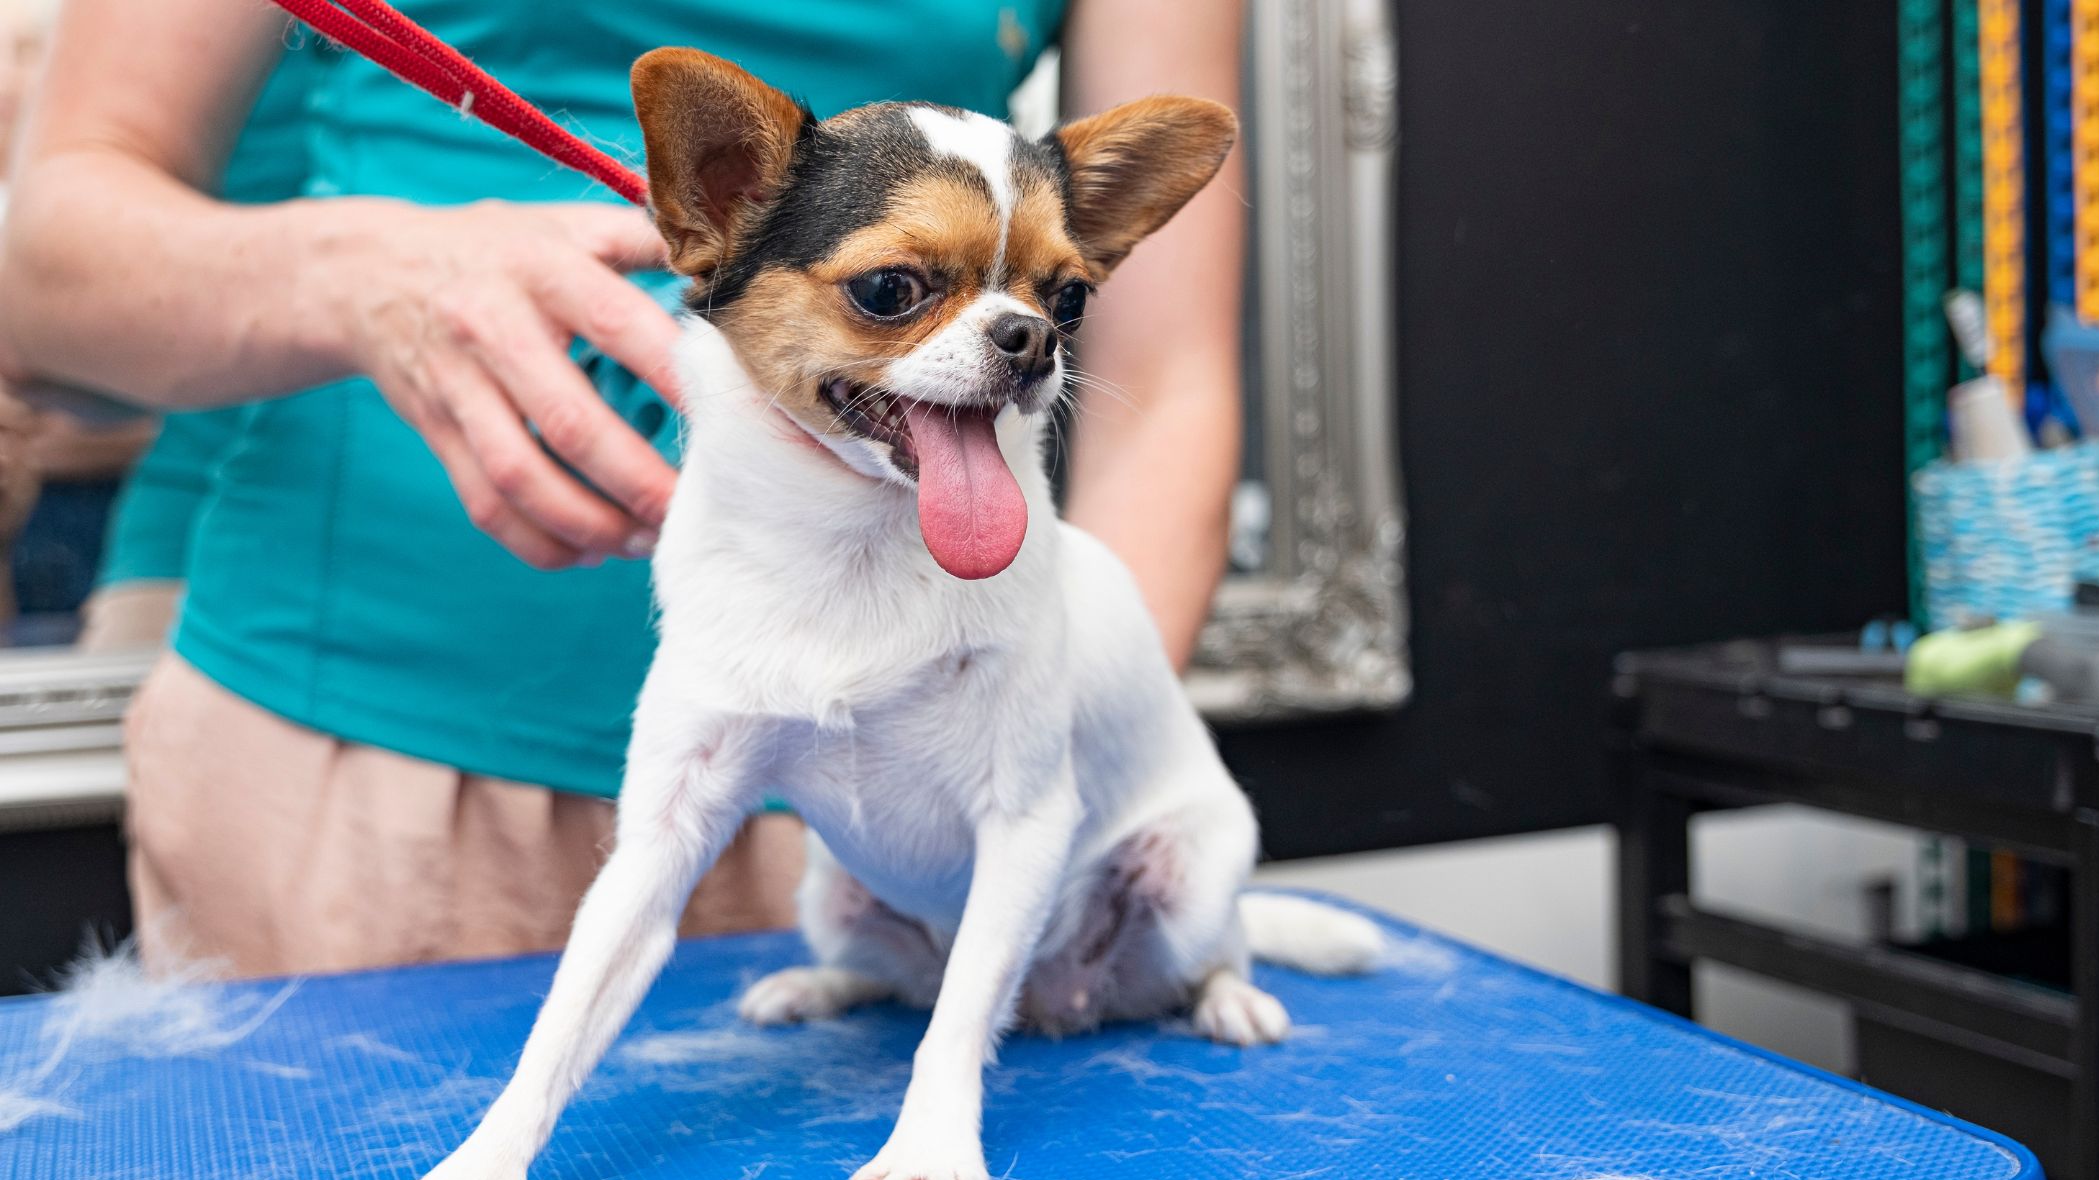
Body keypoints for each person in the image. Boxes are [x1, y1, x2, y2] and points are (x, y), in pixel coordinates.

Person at [0, 0, 1245, 978]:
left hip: (899, 802)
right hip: (359, 744)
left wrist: (1055, 798)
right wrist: (363, 278)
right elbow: (43, 274)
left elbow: (1169, 387)